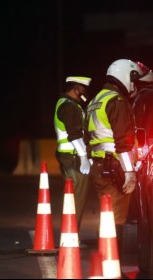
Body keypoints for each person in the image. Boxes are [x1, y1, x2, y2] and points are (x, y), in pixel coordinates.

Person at [84, 59, 153, 256]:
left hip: (100, 166)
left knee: (106, 216)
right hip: (115, 167)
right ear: (125, 75)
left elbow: (89, 137)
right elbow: (123, 141)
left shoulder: (96, 100)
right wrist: (129, 172)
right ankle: (111, 264)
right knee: (116, 219)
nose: (135, 86)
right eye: (134, 80)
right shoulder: (117, 101)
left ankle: (106, 260)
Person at [54, 76, 93, 243]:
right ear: (76, 89)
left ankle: (69, 235)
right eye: (84, 90)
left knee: (72, 196)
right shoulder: (70, 107)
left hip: (68, 157)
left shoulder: (64, 103)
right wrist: (84, 157)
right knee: (77, 197)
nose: (86, 94)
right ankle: (71, 236)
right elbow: (75, 135)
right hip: (74, 159)